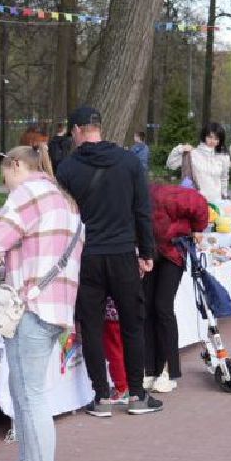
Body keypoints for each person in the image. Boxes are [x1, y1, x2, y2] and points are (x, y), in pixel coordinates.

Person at [0, 145, 83, 461]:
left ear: (16, 164)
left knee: (30, 396)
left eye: (5, 175)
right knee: (22, 391)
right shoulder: (64, 200)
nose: (5, 185)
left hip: (31, 305)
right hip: (55, 305)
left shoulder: (28, 192)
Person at [57, 105, 160, 417]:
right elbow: (143, 210)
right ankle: (138, 395)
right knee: (132, 324)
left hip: (87, 256)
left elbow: (66, 216)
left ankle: (101, 397)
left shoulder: (67, 169)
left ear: (76, 131)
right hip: (122, 254)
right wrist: (146, 253)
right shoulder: (129, 162)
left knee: (92, 325)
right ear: (99, 128)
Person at [143, 180, 210, 393]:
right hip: (148, 253)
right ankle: (150, 369)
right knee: (145, 308)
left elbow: (198, 203)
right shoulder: (126, 200)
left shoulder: (164, 194)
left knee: (162, 306)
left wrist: (198, 228)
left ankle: (168, 371)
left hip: (173, 252)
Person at [166, 122, 230, 203]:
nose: (212, 141)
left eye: (216, 138)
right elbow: (170, 164)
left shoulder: (223, 157)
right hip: (196, 201)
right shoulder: (193, 154)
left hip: (216, 202)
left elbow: (224, 178)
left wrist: (224, 197)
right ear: (204, 136)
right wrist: (180, 149)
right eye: (210, 137)